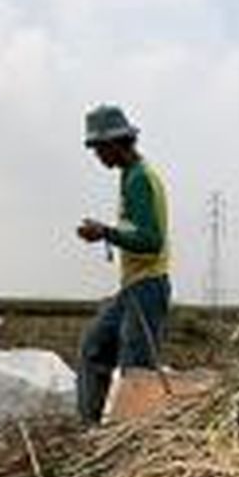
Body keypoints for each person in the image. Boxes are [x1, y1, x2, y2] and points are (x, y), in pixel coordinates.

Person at [74, 105, 171, 424]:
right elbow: (136, 231)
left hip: (147, 287)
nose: (98, 155)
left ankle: (131, 440)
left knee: (136, 372)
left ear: (118, 142)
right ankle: (88, 431)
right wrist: (108, 231)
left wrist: (105, 232)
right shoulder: (130, 176)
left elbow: (151, 240)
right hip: (133, 287)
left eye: (100, 148)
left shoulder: (140, 180)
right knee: (93, 349)